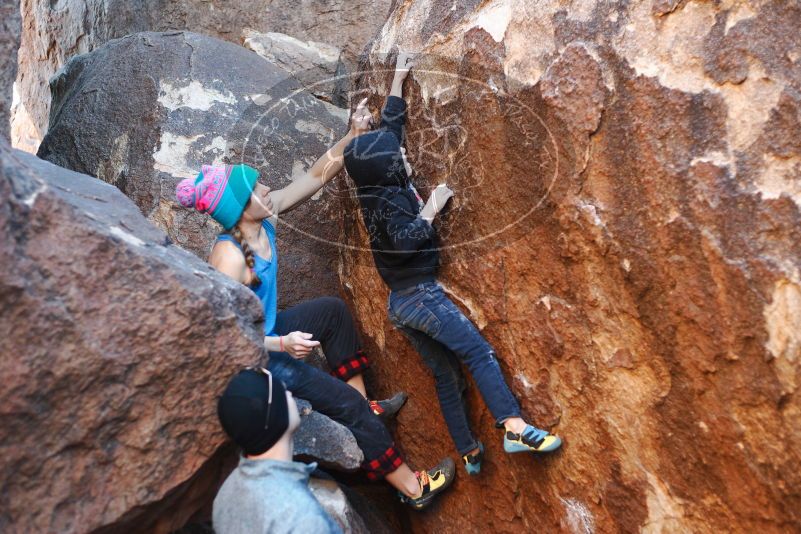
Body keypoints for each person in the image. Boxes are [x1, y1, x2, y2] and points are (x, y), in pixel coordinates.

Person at [175, 100, 454, 509]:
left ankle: (367, 406)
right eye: (256, 189)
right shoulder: (230, 257)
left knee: (331, 312)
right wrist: (281, 345)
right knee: (350, 410)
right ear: (239, 208)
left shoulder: (261, 219)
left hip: (271, 333)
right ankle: (413, 489)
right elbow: (226, 338)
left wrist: (354, 135)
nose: (267, 188)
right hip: (262, 361)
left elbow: (313, 177)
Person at [342, 53, 563, 476]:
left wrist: (397, 81)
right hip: (419, 297)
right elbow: (406, 242)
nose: (404, 157)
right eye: (398, 159)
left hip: (402, 305)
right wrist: (433, 207)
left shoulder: (375, 186)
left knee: (448, 377)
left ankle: (468, 451)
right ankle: (514, 428)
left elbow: (391, 132)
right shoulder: (389, 203)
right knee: (478, 352)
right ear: (388, 171)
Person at [213, 367, 342, 534]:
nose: (289, 393)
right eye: (282, 392)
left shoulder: (226, 493)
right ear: (276, 418)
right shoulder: (304, 519)